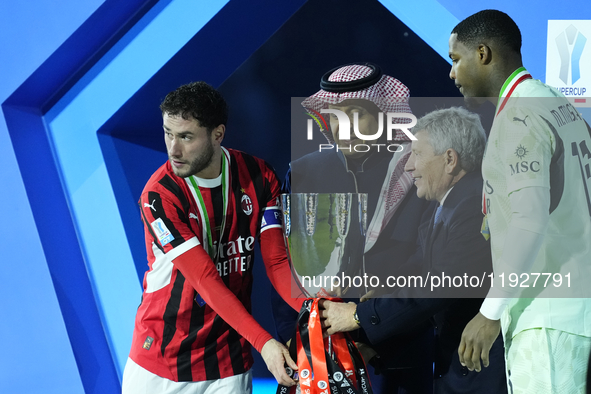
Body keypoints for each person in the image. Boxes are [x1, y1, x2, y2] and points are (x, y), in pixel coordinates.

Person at [121, 81, 305, 394]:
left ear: (218, 134)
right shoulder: (159, 195)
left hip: (228, 362)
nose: (173, 149)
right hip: (162, 361)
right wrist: (265, 344)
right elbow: (205, 280)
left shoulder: (260, 177)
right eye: (168, 133)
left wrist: (315, 311)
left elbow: (276, 261)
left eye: (186, 137)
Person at [448, 10, 591, 393]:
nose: (452, 74)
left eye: (456, 59)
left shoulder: (519, 116)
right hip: (573, 311)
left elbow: (529, 223)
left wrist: (490, 313)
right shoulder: (557, 105)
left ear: (483, 53)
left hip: (547, 317)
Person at [272, 62, 435, 393]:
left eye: (356, 114)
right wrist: (297, 338)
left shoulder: (421, 172)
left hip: (400, 360)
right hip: (319, 357)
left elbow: (433, 270)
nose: (342, 128)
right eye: (333, 116)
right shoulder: (303, 173)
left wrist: (371, 332)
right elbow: (287, 265)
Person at [320, 107, 508, 393]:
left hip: (482, 367)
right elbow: (420, 264)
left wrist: (359, 315)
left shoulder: (472, 208)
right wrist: (383, 288)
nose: (409, 167)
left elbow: (439, 287)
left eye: (417, 155)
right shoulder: (449, 204)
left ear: (449, 159)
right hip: (459, 363)